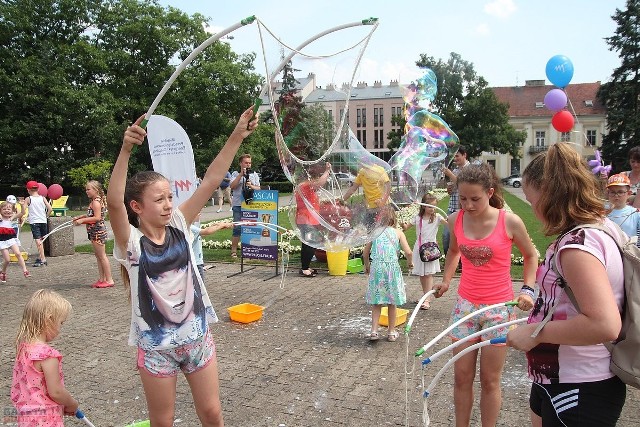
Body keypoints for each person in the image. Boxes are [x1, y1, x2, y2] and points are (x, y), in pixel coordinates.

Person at [107, 106, 258, 426]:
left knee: (212, 413)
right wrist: (125, 150)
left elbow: (213, 180)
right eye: (159, 199)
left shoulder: (178, 223)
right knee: (163, 421)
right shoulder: (130, 244)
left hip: (197, 339)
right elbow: (113, 203)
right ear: (137, 207)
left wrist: (236, 135)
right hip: (155, 349)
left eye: (169, 197)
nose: (168, 204)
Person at [506, 143, 626, 427]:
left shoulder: (577, 247)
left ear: (549, 195)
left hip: (580, 386)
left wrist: (535, 333)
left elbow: (604, 325)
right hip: (558, 377)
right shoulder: (597, 228)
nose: (532, 209)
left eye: (531, 200)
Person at [433, 162, 538, 427]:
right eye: (463, 198)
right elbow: (455, 251)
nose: (467, 205)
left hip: (498, 310)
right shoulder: (456, 219)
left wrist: (527, 288)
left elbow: (531, 256)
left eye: (475, 199)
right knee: (461, 376)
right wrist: (446, 281)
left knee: (490, 380)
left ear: (490, 192)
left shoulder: (509, 221)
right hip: (465, 308)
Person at [11, 289, 79, 424]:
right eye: (61, 323)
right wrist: (72, 404)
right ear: (49, 320)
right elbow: (56, 392)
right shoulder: (47, 356)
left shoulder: (24, 348)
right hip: (46, 419)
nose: (60, 329)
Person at [363, 205, 413, 342]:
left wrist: (367, 266)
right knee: (392, 302)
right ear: (394, 218)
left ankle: (374, 331)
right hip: (392, 269)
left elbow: (365, 253)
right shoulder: (398, 233)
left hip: (377, 268)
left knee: (376, 302)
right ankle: (391, 332)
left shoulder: (374, 233)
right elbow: (409, 252)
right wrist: (410, 263)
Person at [402, 192, 447, 309]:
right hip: (420, 248)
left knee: (428, 274)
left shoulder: (437, 217)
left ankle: (427, 299)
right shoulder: (418, 218)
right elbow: (406, 228)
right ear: (423, 206)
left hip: (430, 249)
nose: (432, 209)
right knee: (422, 275)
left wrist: (449, 220)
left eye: (433, 206)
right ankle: (426, 296)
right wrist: (403, 225)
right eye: (429, 206)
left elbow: (449, 225)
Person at [72, 180, 114, 288]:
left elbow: (97, 218)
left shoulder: (95, 202)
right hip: (93, 231)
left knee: (102, 256)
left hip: (97, 232)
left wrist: (82, 221)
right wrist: (81, 217)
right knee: (98, 256)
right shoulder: (95, 201)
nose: (86, 191)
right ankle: (102, 279)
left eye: (88, 189)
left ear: (95, 190)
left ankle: (109, 280)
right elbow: (91, 214)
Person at [295, 162, 331, 277]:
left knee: (308, 244)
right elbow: (320, 184)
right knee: (310, 244)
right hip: (306, 220)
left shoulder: (304, 186)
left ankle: (305, 267)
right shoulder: (305, 185)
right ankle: (304, 269)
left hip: (308, 219)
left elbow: (311, 201)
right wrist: (327, 171)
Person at [229, 154, 260, 257]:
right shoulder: (235, 173)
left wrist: (251, 185)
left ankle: (250, 249)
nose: (248, 165)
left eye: (249, 163)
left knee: (251, 227)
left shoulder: (254, 174)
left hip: (250, 204)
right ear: (240, 163)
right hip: (238, 204)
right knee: (237, 227)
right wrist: (240, 175)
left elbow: (259, 188)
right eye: (246, 162)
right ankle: (233, 250)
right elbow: (232, 187)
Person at [441, 146, 470, 255]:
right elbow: (454, 189)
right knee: (446, 235)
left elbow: (463, 185)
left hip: (464, 209)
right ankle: (448, 258)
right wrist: (449, 190)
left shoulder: (470, 169)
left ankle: (461, 262)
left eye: (457, 156)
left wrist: (450, 174)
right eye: (454, 157)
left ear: (464, 155)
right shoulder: (456, 170)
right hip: (452, 208)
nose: (455, 159)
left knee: (462, 236)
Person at [606, 173, 640, 246]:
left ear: (629, 193)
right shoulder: (601, 211)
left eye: (620, 192)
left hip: (627, 253)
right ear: (608, 193)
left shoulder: (635, 214)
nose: (616, 196)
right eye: (612, 192)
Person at [1, 200, 30, 282]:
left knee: (18, 253)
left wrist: (22, 205)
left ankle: (25, 270)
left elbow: (22, 213)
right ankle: (3, 272)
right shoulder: (0, 218)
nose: (7, 210)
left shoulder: (11, 218)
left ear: (12, 210)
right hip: (2, 241)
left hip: (11, 239)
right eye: (4, 209)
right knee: (7, 260)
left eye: (9, 209)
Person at [25, 181, 52, 267]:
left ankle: (43, 259)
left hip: (34, 222)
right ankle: (41, 257)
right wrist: (46, 217)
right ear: (38, 189)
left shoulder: (28, 199)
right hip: (43, 221)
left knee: (38, 241)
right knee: (41, 240)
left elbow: (23, 211)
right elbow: (50, 209)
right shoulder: (43, 198)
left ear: (28, 190)